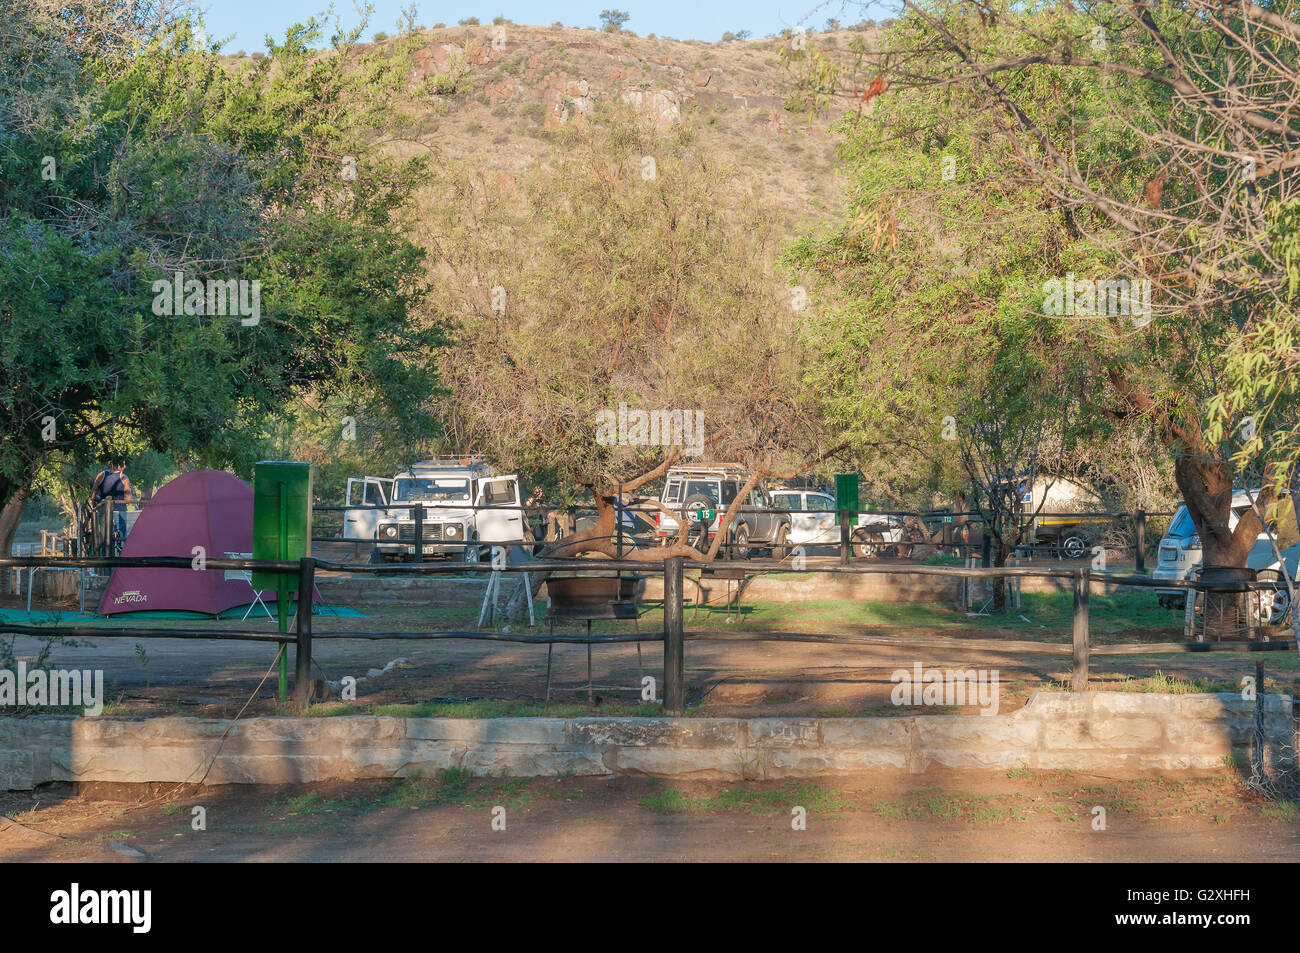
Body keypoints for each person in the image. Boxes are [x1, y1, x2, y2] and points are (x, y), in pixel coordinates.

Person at [89, 459, 132, 547]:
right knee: (122, 538)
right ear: (118, 464)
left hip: (104, 512)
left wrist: (99, 498)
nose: (125, 466)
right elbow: (129, 499)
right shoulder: (124, 477)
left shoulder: (101, 475)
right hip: (120, 514)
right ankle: (121, 552)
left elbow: (92, 496)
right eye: (123, 464)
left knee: (102, 537)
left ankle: (100, 555)